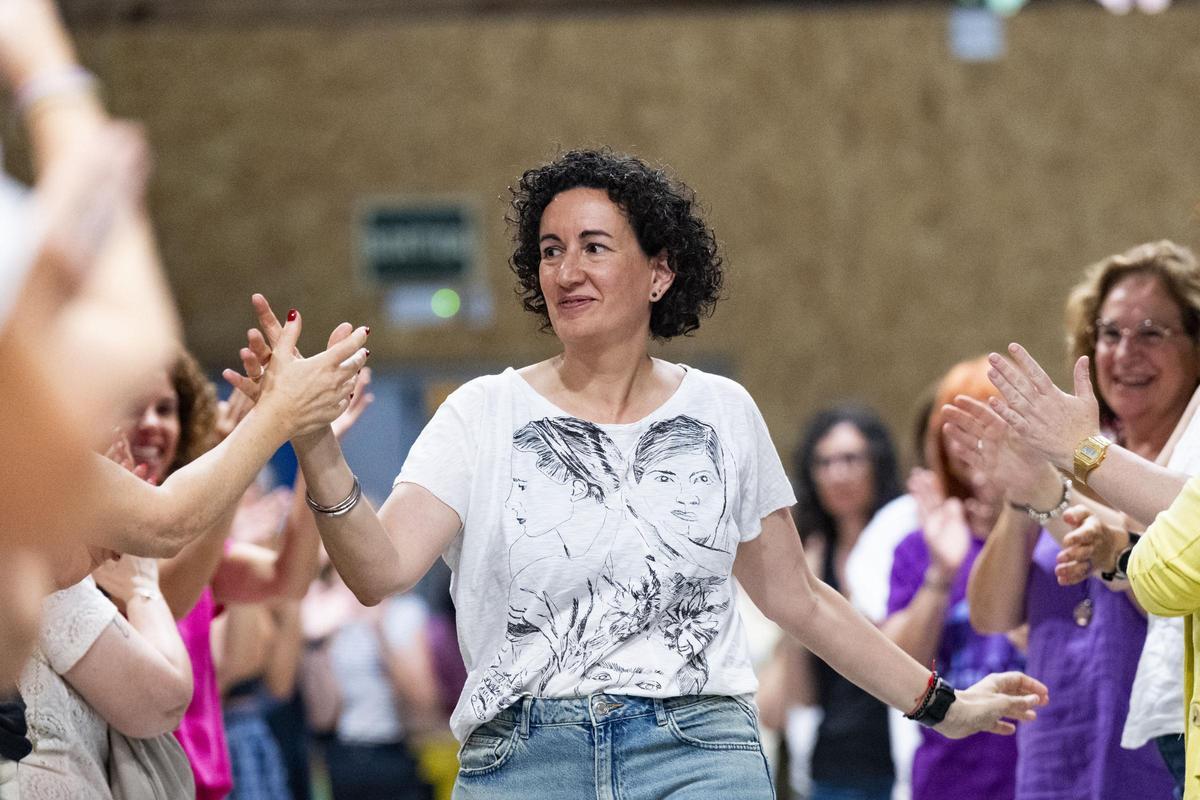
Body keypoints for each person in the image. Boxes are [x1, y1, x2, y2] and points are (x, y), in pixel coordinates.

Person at [241, 149, 1048, 799]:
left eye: (594, 247)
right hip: (525, 758)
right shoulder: (481, 414)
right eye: (550, 251)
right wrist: (313, 443)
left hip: (699, 751)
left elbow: (800, 600)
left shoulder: (722, 412)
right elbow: (378, 571)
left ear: (659, 273)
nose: (566, 270)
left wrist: (940, 704)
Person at [952, 241, 1193, 799]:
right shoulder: (1071, 454)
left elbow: (1160, 572)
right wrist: (1023, 495)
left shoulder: (1186, 462)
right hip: (1057, 746)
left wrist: (1049, 493)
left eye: (1151, 333)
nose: (1125, 353)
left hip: (1156, 751)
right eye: (1110, 333)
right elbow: (991, 615)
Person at [881, 358, 1027, 800]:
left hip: (1044, 771)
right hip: (949, 776)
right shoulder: (920, 544)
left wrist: (1016, 517)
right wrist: (940, 574)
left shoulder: (1049, 534)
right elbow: (895, 669)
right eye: (959, 430)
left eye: (988, 425)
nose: (974, 445)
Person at [758, 406, 903, 800]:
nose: (837, 474)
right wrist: (800, 607)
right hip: (833, 762)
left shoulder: (906, 541)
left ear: (877, 464)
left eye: (851, 459)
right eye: (824, 463)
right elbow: (791, 702)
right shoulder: (810, 554)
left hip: (902, 751)